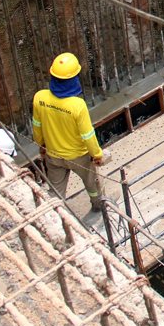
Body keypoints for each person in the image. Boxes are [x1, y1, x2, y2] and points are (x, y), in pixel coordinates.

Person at [32, 53, 105, 216]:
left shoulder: (40, 98)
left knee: (55, 193)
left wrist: (41, 147)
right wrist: (97, 155)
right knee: (93, 184)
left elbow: (37, 128)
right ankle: (98, 205)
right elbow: (88, 135)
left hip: (53, 156)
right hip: (79, 157)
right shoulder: (77, 105)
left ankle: (54, 216)